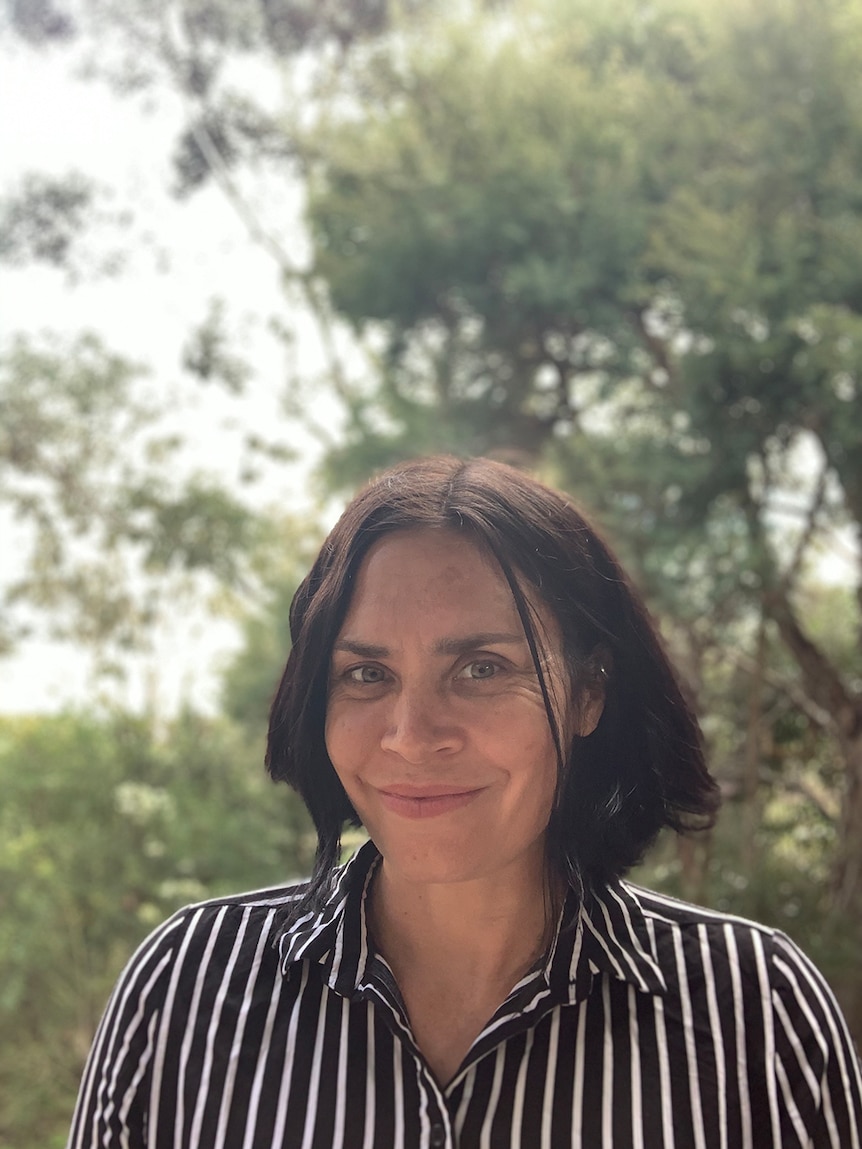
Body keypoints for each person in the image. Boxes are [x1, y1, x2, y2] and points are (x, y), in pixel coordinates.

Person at [68, 455, 862, 1149]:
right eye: (367, 674)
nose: (412, 737)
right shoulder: (184, 991)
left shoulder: (756, 1013)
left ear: (589, 691)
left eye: (481, 668)